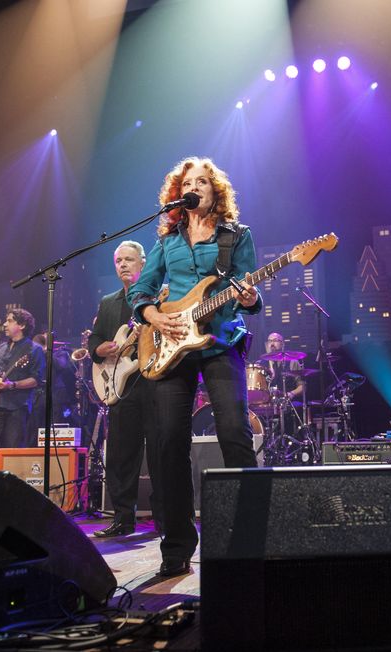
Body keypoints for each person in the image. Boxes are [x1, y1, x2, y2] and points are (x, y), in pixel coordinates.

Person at [128, 157, 262, 577]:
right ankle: (177, 547)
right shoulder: (167, 239)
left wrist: (248, 298)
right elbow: (143, 292)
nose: (197, 187)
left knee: (235, 434)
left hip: (221, 341)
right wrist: (153, 317)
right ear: (178, 194)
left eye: (203, 181)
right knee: (168, 444)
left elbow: (250, 294)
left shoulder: (236, 235)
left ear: (215, 190)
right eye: (189, 182)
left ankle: (251, 535)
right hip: (171, 344)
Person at [88, 240, 161, 537]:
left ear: (143, 263)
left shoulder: (159, 294)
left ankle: (164, 519)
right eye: (119, 261)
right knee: (120, 455)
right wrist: (99, 349)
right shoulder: (108, 302)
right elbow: (94, 340)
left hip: (154, 382)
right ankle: (122, 518)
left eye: (129, 260)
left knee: (160, 453)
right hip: (120, 387)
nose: (123, 265)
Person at [0, 308, 45, 470]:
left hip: (17, 407)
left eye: (10, 321)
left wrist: (12, 385)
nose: (5, 324)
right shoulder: (0, 348)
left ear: (21, 325)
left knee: (12, 452)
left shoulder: (33, 350)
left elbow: (36, 380)